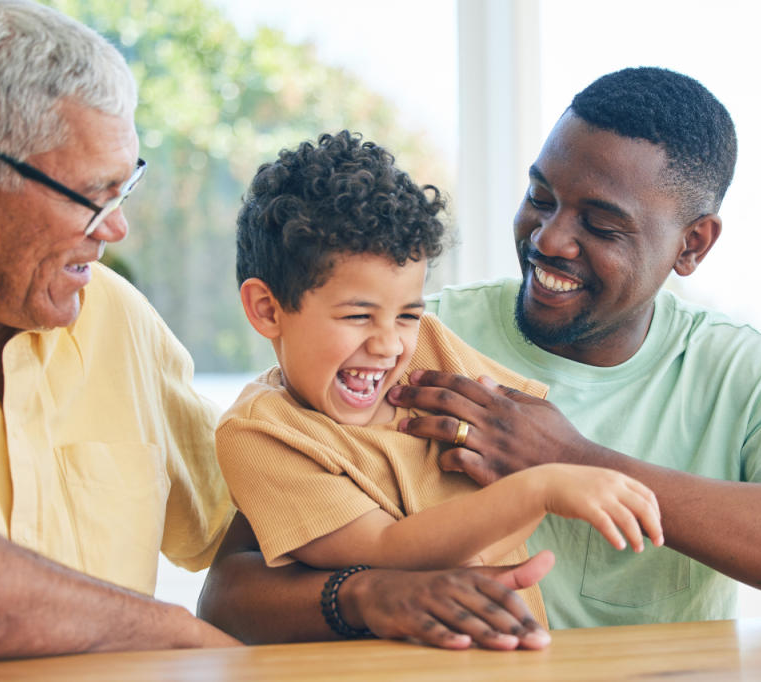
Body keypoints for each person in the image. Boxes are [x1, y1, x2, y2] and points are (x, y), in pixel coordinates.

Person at [0, 0, 565, 662]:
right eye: (92, 198)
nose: (117, 230)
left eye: (125, 190)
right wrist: (174, 635)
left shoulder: (114, 319)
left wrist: (368, 590)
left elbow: (244, 560)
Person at [200, 67, 761, 637]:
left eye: (600, 224)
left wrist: (574, 459)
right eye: (540, 197)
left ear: (693, 245)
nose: (550, 240)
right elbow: (231, 591)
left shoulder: (739, 372)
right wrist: (366, 594)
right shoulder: (407, 338)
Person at [215, 131, 663, 633]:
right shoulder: (261, 434)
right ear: (266, 309)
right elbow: (389, 551)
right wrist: (542, 488)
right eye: (359, 316)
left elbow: (517, 455)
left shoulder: (427, 346)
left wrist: (528, 496)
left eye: (406, 313)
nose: (388, 345)